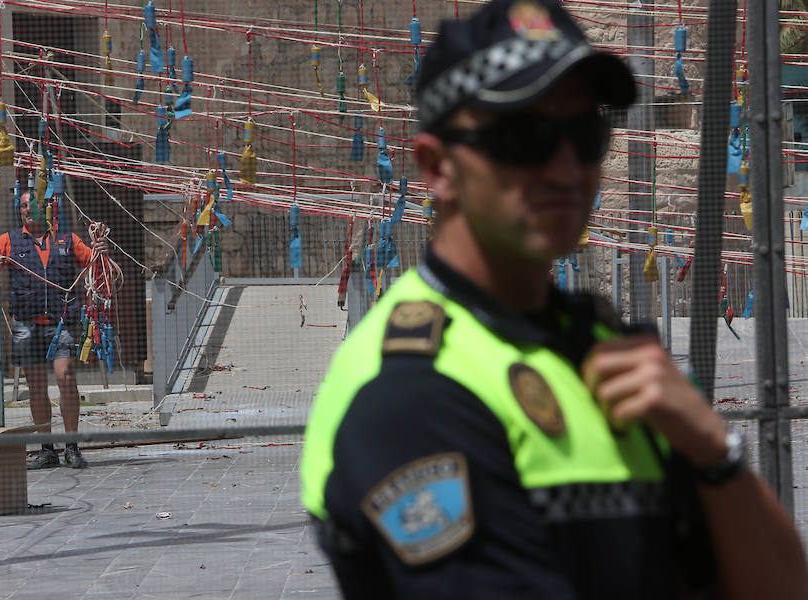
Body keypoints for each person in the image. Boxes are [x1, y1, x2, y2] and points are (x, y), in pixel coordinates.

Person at [301, 1, 808, 598]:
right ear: (437, 167)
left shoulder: (599, 347)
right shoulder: (410, 389)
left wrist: (716, 450)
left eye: (586, 135)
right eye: (525, 138)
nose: (568, 170)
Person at [0, 191, 106, 469]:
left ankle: (71, 446)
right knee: (36, 386)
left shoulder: (67, 240)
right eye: (23, 206)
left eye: (33, 205)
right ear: (19, 211)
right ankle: (47, 449)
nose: (28, 210)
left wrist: (101, 250)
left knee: (65, 377)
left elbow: (95, 262)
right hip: (26, 323)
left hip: (62, 321)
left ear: (48, 209)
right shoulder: (9, 240)